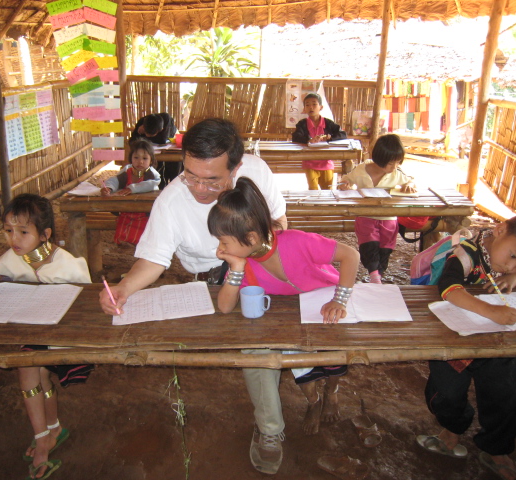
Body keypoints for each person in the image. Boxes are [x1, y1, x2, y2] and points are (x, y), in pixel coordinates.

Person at [99, 118, 289, 475]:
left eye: (212, 180)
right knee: (256, 338)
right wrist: (124, 288)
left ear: (236, 167)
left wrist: (254, 256)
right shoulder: (172, 200)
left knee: (258, 340)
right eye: (190, 175)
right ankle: (271, 424)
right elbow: (153, 260)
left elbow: (279, 222)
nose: (199, 189)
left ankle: (269, 428)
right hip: (211, 281)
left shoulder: (258, 173)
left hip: (260, 265)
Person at [208, 177, 359, 437]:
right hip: (292, 317)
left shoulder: (297, 242)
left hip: (328, 306)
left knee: (334, 356)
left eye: (224, 241)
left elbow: (351, 255)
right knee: (298, 362)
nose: (219, 249)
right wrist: (236, 267)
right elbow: (224, 307)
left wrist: (339, 299)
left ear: (250, 237)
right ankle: (314, 400)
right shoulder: (247, 264)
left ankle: (332, 391)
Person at [416, 210, 516, 480]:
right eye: (513, 257)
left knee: (503, 395)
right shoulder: (466, 253)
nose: (511, 267)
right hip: (453, 339)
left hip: (499, 343)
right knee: (446, 394)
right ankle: (451, 431)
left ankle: (497, 448)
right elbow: (449, 289)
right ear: (499, 231)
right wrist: (491, 311)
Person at [0, 193, 92, 480]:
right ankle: (50, 431)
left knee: (31, 369)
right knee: (35, 371)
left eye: (23, 232)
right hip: (32, 331)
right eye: (8, 230)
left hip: (63, 337)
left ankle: (44, 438)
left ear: (45, 235)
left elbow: (87, 302)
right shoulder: (12, 258)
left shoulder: (67, 264)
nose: (13, 239)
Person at [339, 134, 416, 284]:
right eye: (391, 163)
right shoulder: (361, 170)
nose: (395, 167)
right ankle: (374, 275)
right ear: (379, 158)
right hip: (366, 216)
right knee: (368, 245)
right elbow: (346, 179)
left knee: (385, 249)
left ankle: (378, 275)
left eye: (398, 163)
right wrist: (345, 184)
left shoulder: (396, 173)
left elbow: (411, 181)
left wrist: (409, 185)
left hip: (389, 218)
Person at [101, 139, 161, 245]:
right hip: (126, 210)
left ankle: (138, 244)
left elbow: (151, 184)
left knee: (144, 228)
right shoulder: (127, 171)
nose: (140, 162)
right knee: (122, 222)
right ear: (131, 158)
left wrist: (131, 189)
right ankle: (124, 242)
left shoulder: (152, 175)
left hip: (146, 212)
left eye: (145, 158)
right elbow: (115, 180)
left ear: (151, 160)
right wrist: (109, 188)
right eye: (136, 157)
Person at [291, 93, 347, 190]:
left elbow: (343, 134)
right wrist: (309, 140)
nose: (311, 107)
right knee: (313, 190)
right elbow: (295, 137)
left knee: (328, 191)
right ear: (304, 109)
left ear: (321, 107)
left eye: (314, 104)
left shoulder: (328, 123)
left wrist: (330, 138)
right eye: (307, 105)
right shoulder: (302, 124)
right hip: (309, 162)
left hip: (326, 162)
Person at [130, 112, 179, 189]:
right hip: (153, 152)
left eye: (151, 135)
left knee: (174, 165)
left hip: (170, 149)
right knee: (155, 165)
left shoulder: (167, 120)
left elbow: (163, 139)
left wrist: (144, 137)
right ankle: (158, 186)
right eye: (146, 133)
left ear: (161, 130)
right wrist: (139, 134)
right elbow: (132, 141)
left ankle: (174, 187)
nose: (147, 135)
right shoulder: (142, 122)